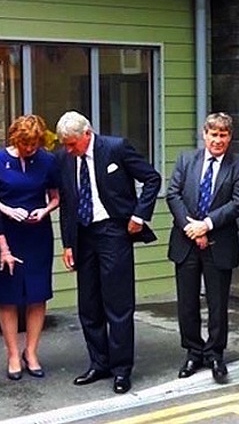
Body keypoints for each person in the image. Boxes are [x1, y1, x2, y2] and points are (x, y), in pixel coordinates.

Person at [56, 110, 161, 394]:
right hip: (83, 235)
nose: (68, 149)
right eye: (65, 144)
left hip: (114, 231)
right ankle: (99, 363)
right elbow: (66, 202)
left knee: (118, 303)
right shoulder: (66, 158)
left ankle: (121, 369)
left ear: (87, 134)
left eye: (72, 143)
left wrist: (139, 216)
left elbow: (152, 179)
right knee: (88, 305)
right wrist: (67, 244)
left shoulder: (116, 148)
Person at [166, 112, 239, 384]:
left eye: (223, 135)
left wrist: (207, 225)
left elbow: (238, 203)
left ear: (229, 137)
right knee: (187, 303)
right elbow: (173, 194)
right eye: (213, 134)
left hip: (218, 243)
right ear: (205, 135)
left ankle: (215, 353)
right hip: (186, 241)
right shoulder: (186, 160)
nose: (218, 140)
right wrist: (191, 227)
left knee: (217, 304)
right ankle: (193, 351)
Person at [0, 115, 60, 380]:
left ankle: (31, 352)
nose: (30, 149)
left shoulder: (47, 160)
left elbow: (57, 197)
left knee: (37, 295)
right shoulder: (1, 159)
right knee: (8, 297)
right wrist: (8, 210)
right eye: (26, 144)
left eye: (35, 144)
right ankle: (13, 354)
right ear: (16, 139)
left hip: (37, 235)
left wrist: (45, 210)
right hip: (6, 234)